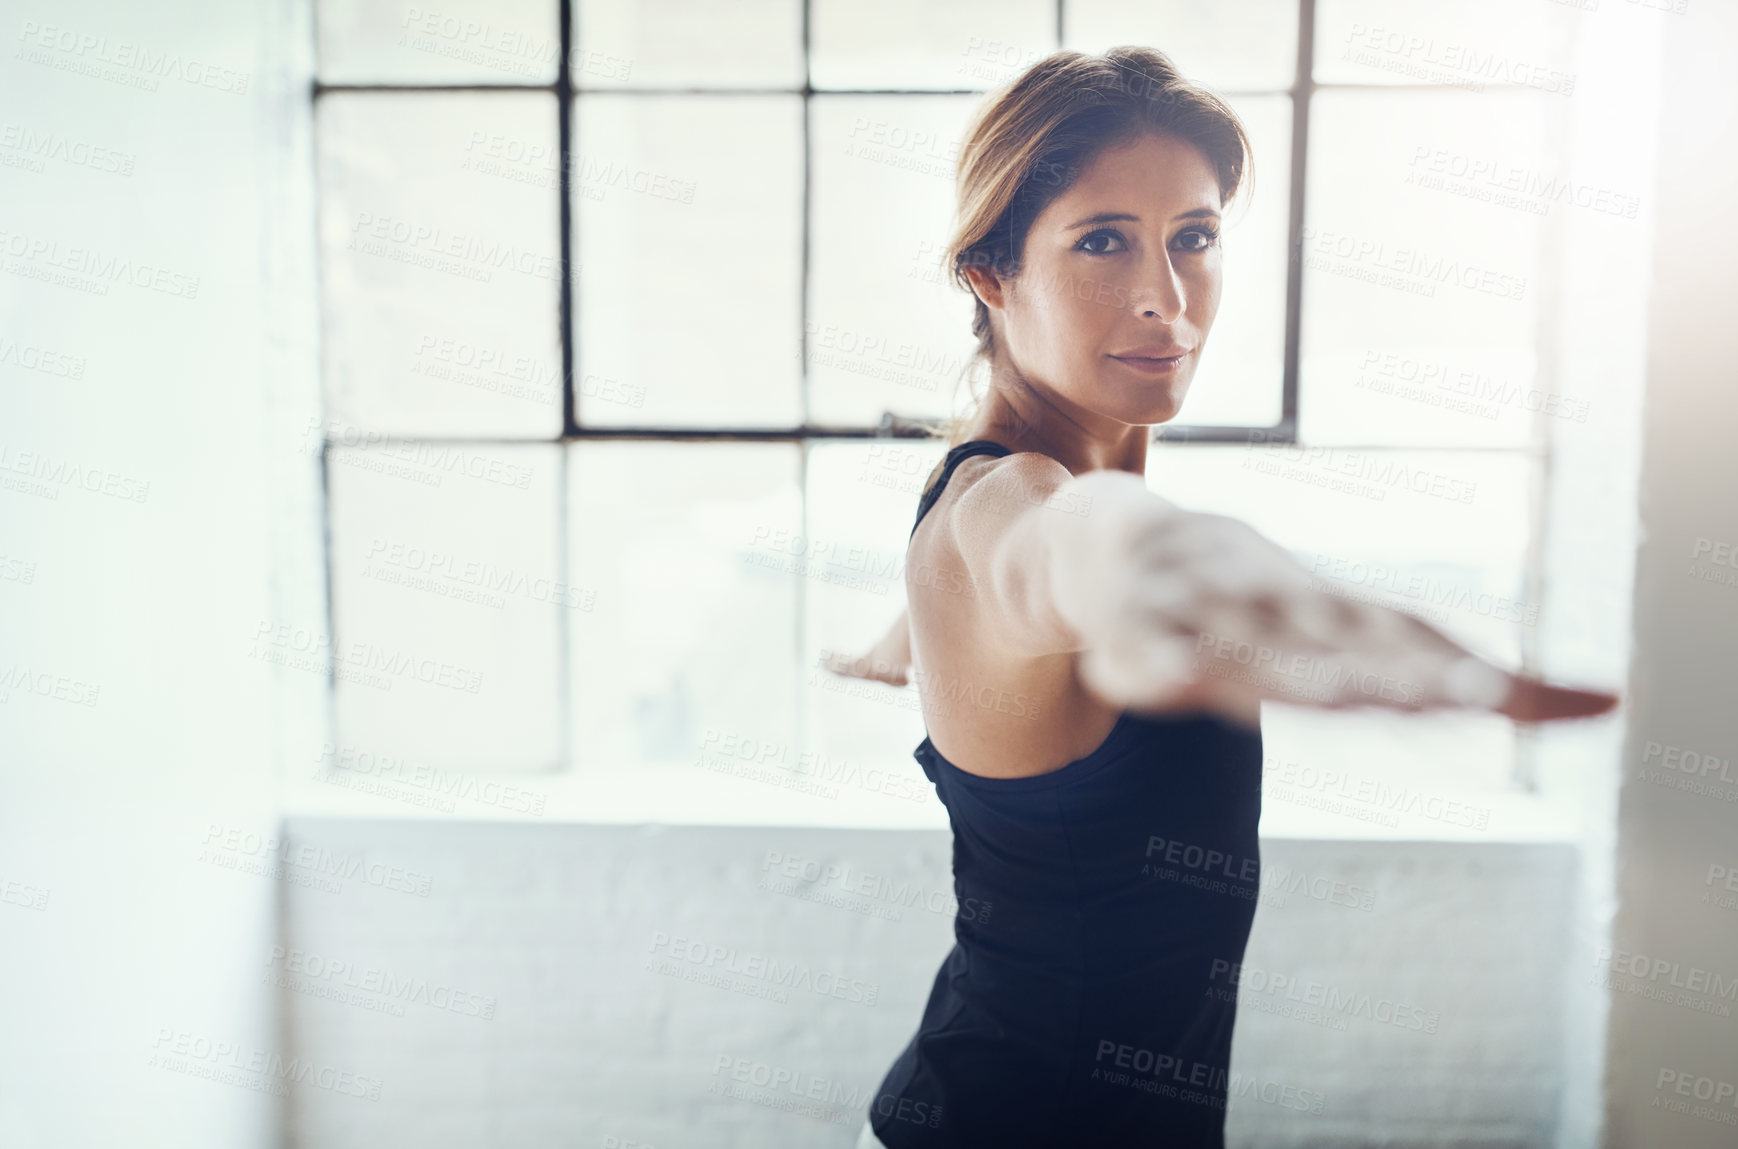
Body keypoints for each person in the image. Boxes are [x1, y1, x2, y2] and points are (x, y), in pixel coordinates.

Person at [823, 46, 1619, 1149]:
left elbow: (996, 573)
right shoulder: (1017, 506)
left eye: (1191, 238)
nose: (1163, 295)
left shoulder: (979, 487)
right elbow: (1084, 546)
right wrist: (1194, 590)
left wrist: (898, 640)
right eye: (1102, 239)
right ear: (990, 274)